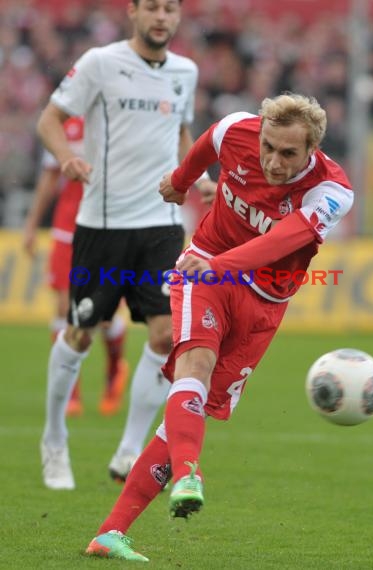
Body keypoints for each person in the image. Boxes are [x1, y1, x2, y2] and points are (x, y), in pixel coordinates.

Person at [84, 92, 354, 562]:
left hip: (265, 303)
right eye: (268, 146)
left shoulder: (332, 191)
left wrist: (227, 265)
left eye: (288, 153)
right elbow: (208, 142)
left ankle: (110, 533)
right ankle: (190, 472)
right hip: (203, 266)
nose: (272, 161)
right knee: (195, 362)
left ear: (312, 150)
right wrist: (181, 180)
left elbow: (285, 239)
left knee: (189, 415)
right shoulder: (238, 130)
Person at [36, 0, 216, 491]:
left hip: (161, 225)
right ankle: (54, 439)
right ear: (133, 13)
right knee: (80, 333)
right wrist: (68, 157)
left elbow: (179, 130)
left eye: (170, 9)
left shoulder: (186, 70)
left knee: (164, 338)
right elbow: (49, 120)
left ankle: (130, 448)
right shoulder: (100, 62)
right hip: (103, 224)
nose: (162, 17)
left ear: (178, 17)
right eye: (152, 8)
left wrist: (195, 176)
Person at [23, 116, 129, 417]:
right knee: (64, 309)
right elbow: (49, 177)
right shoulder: (63, 122)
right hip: (68, 229)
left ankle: (114, 371)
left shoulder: (118, 118)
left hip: (110, 228)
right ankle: (71, 391)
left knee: (105, 318)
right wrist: (31, 224)